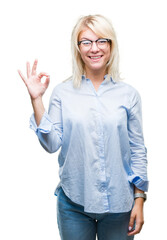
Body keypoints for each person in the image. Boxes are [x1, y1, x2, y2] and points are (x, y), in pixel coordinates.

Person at [18, 14, 148, 240]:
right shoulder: (62, 92)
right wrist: (36, 99)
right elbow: (51, 144)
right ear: (78, 48)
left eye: (101, 41)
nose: (94, 48)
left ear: (111, 45)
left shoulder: (128, 95)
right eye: (86, 42)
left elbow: (137, 150)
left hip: (120, 204)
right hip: (74, 204)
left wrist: (140, 199)